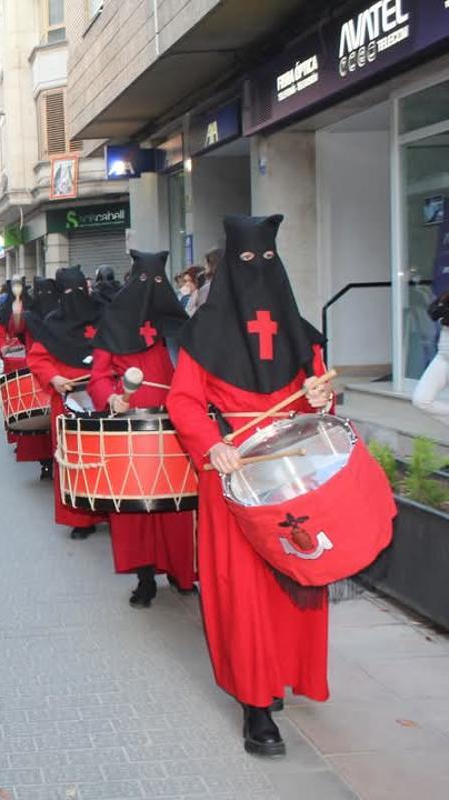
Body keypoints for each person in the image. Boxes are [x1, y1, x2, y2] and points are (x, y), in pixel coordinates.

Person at [167, 215, 337, 758]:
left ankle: (282, 673)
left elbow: (320, 393)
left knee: (295, 579)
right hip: (234, 470)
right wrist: (210, 443)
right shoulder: (204, 332)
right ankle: (254, 706)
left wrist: (322, 395)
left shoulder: (297, 328)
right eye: (245, 263)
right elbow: (183, 402)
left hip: (292, 472)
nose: (257, 273)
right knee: (243, 590)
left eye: (267, 261)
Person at [88, 250, 196, 607]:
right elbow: (99, 376)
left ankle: (182, 573)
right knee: (137, 508)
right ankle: (145, 576)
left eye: (158, 283)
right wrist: (111, 399)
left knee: (177, 507)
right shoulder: (114, 322)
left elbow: (194, 372)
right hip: (129, 428)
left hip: (173, 424)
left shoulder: (177, 326)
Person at [25, 267, 107, 535]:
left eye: (80, 291)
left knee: (107, 457)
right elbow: (38, 358)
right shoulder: (53, 323)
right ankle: (80, 519)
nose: (76, 298)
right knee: (73, 460)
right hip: (68, 399)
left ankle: (111, 511)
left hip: (102, 396)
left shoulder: (103, 315)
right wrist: (54, 378)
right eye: (70, 292)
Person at [0, 277, 54, 475]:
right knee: (36, 418)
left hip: (57, 374)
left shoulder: (61, 316)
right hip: (34, 370)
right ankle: (44, 462)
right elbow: (15, 327)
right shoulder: (30, 315)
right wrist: (17, 313)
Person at [412, 291, 449, 426]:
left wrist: (443, 313)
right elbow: (432, 312)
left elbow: (442, 315)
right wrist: (442, 313)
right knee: (421, 400)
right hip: (442, 357)